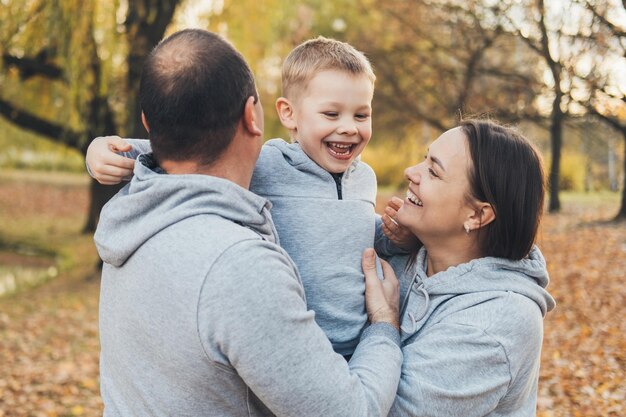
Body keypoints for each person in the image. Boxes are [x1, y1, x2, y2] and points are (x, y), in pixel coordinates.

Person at [94, 28, 403, 416]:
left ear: (148, 121)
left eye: (361, 114)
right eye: (331, 113)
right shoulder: (241, 263)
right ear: (255, 115)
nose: (348, 126)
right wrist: (384, 324)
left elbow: (174, 143)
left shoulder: (139, 215)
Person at [380, 120, 556, 416]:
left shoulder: (496, 323)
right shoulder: (411, 252)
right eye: (425, 159)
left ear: (477, 215)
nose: (411, 172)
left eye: (433, 171)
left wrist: (383, 321)